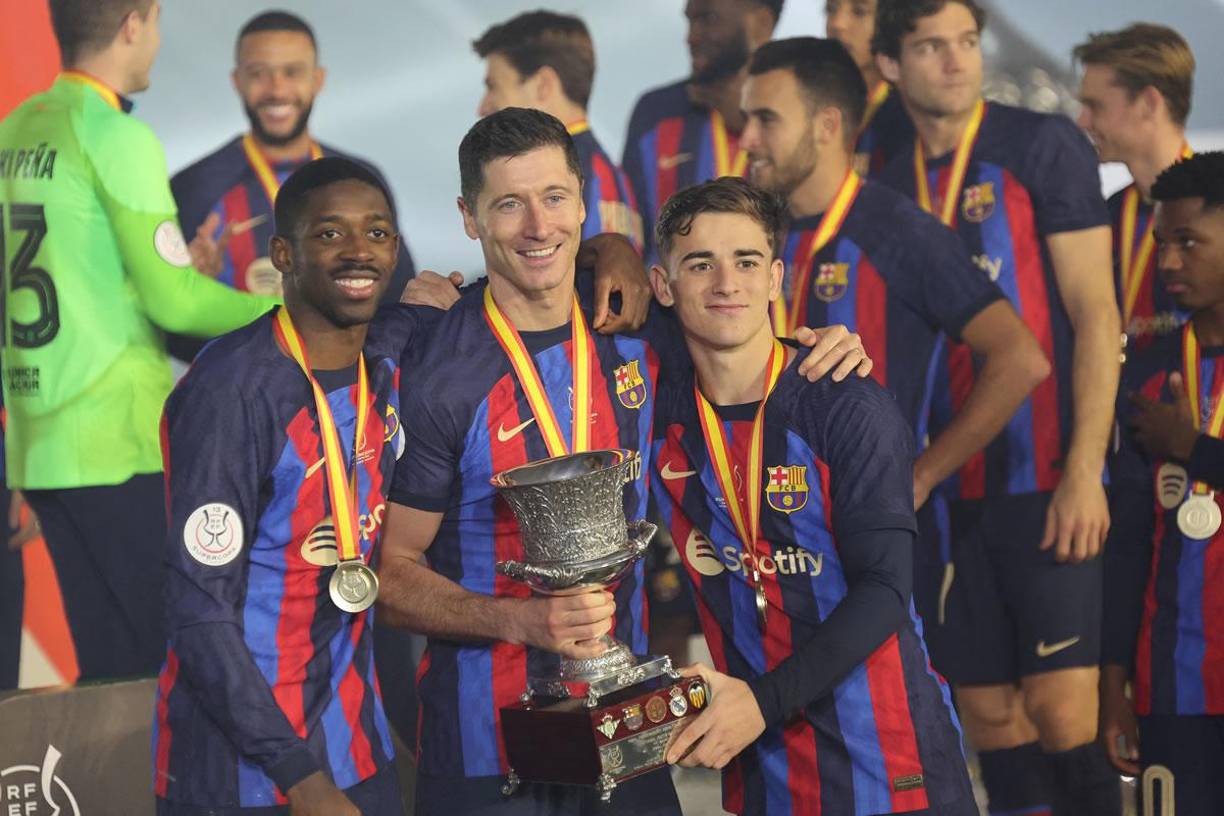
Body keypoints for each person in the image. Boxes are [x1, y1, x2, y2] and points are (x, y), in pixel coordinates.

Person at [375, 107, 869, 815]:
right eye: (508, 205)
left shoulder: (637, 324)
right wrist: (520, 623)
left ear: (582, 199)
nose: (538, 226)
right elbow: (389, 576)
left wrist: (825, 348)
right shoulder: (439, 371)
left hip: (625, 735)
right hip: (486, 753)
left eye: (553, 198)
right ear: (468, 217)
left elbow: (746, 343)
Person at [648, 175, 976, 815]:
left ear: (775, 280)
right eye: (699, 264)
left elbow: (885, 588)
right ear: (664, 286)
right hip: (763, 771)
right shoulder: (656, 408)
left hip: (888, 767)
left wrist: (759, 702)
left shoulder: (846, 404)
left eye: (746, 262)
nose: (726, 283)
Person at [874, 1, 1122, 814]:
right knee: (986, 715)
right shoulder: (876, 163)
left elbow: (1095, 315)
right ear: (889, 66)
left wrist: (1086, 467)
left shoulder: (1040, 144)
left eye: (967, 43)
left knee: (1061, 713)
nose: (956, 61)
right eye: (930, 47)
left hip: (1043, 478)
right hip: (938, 495)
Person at [0, 0, 276, 682]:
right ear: (133, 23)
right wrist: (288, 309)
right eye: (154, 25)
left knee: (108, 673)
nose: (156, 41)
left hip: (41, 450)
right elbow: (172, 298)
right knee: (180, 663)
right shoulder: (116, 136)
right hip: (117, 440)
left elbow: (79, 272)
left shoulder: (18, 127)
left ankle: (123, 797)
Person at [155, 157, 430, 816]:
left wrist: (610, 249)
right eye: (330, 234)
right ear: (283, 252)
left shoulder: (385, 359)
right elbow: (200, 615)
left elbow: (505, 291)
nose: (359, 250)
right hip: (248, 776)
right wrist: (298, 775)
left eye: (378, 232)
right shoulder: (233, 392)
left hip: (358, 753)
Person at [741, 36, 1047, 512]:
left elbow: (1021, 357)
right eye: (747, 120)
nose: (747, 140)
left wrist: (921, 476)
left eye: (766, 119)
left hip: (874, 534)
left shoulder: (898, 229)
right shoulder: (753, 230)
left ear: (826, 125)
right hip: (773, 518)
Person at [1103, 151, 1224, 815]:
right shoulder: (1146, 374)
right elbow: (1126, 546)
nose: (1169, 262)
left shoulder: (1169, 415)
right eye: (1161, 244)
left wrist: (1192, 449)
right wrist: (1113, 684)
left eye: (1189, 242)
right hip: (1173, 688)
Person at [171, 11, 415, 301]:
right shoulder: (193, 187)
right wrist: (195, 288)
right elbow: (175, 324)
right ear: (237, 81)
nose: (276, 90)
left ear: (318, 79)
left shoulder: (361, 180)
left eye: (292, 72)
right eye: (259, 73)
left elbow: (398, 299)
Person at [622, 0, 782, 262]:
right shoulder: (655, 113)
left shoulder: (801, 116)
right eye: (690, 20)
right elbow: (628, 231)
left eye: (708, 19)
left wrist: (746, 117)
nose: (691, 36)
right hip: (664, 301)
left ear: (760, 24)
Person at [473, 10, 643, 252]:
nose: (483, 107)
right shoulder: (605, 171)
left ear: (543, 85)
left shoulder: (567, 173)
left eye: (494, 87)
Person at [1075, 23, 1196, 352]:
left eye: (1095, 106)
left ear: (1148, 103)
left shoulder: (1215, 209)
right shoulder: (1107, 215)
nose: (1082, 121)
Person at [824, 0, 913, 176]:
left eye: (859, 12)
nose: (837, 24)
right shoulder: (815, 105)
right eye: (831, 9)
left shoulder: (912, 114)